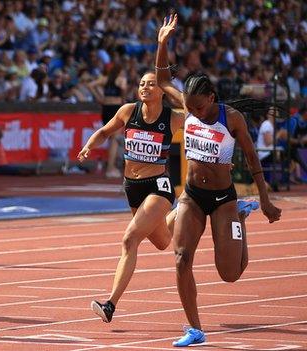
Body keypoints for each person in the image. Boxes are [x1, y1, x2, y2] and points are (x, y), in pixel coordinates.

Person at [156, 14, 281, 347]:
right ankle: (195, 329)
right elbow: (162, 78)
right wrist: (162, 44)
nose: (192, 113)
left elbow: (253, 160)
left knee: (230, 274)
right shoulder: (188, 105)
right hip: (193, 195)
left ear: (211, 97)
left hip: (224, 199)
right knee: (181, 258)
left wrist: (265, 200)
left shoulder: (233, 119)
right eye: (189, 108)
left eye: (197, 107)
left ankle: (242, 216)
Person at [78, 71, 183, 323]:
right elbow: (105, 131)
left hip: (158, 186)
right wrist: (89, 145)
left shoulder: (173, 118)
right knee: (162, 242)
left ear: (162, 92)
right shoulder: (128, 111)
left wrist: (172, 89)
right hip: (132, 186)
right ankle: (186, 207)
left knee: (129, 240)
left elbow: (198, 115)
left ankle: (110, 305)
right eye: (142, 84)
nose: (145, 87)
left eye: (151, 84)